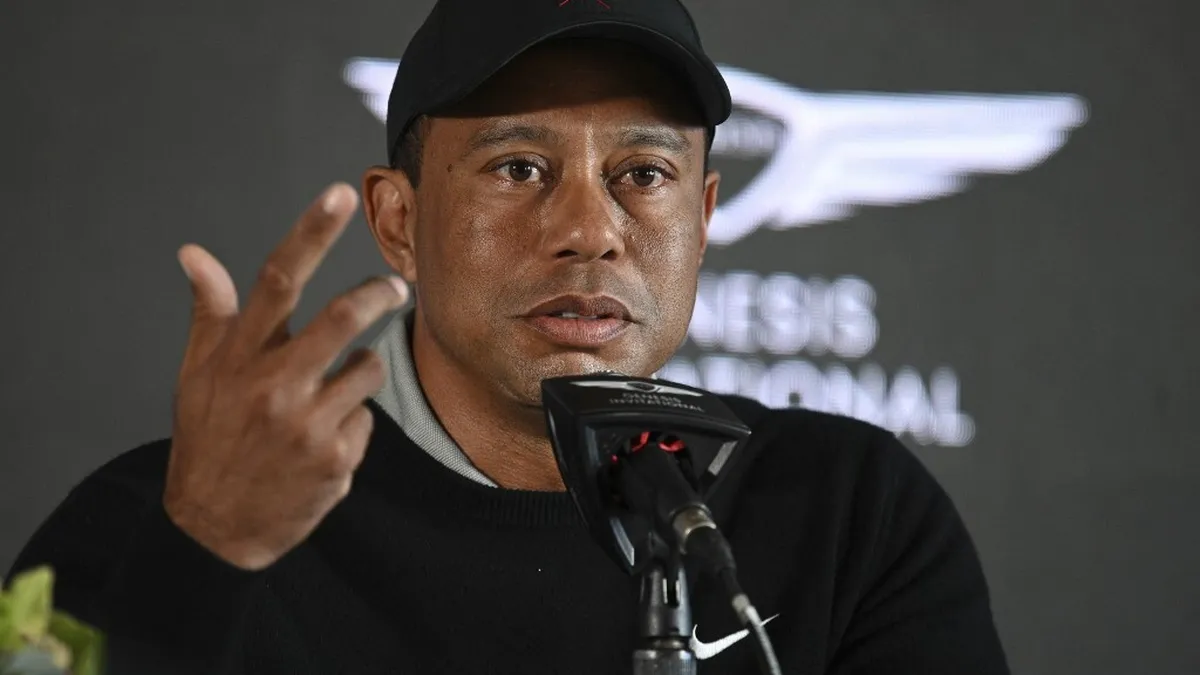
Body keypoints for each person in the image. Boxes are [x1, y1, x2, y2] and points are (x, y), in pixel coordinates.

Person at [7, 0, 1011, 673]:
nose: (588, 230)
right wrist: (203, 557)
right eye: (519, 167)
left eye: (644, 175)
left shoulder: (852, 512)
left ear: (703, 217)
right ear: (398, 221)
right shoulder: (164, 517)